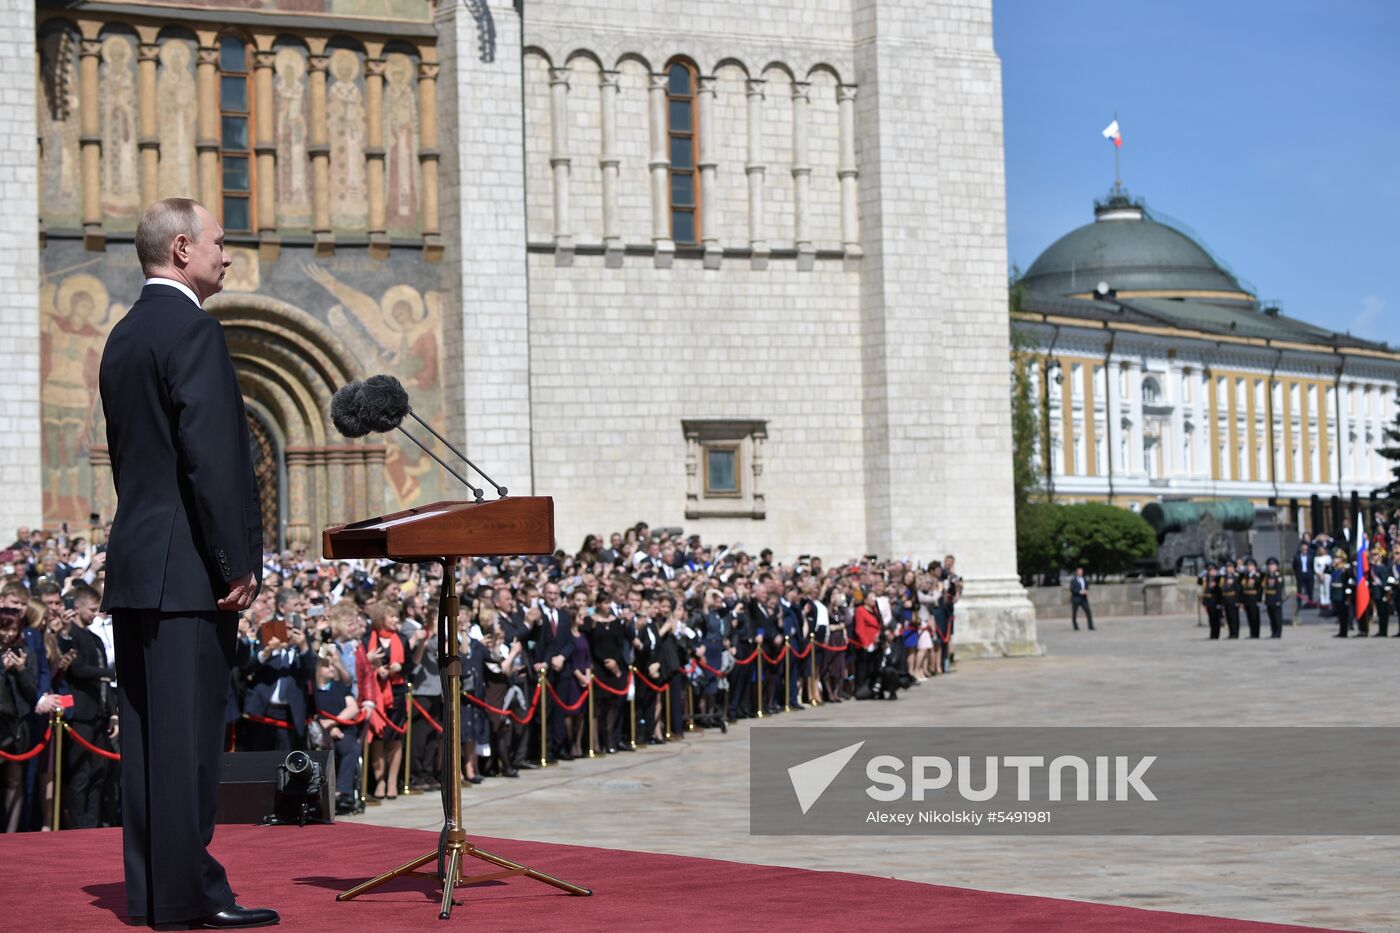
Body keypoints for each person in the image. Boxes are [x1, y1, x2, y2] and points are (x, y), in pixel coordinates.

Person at [98, 199, 277, 929]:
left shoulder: (123, 335)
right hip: (189, 573)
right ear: (181, 249)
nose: (226, 255)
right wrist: (236, 560)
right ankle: (189, 895)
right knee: (192, 744)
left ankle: (153, 891)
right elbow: (211, 460)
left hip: (140, 564)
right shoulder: (193, 330)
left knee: (148, 744)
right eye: (218, 242)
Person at [1240, 558, 1262, 639]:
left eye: (1251, 566)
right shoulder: (1245, 575)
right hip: (1247, 598)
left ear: (1255, 566)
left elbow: (1260, 588)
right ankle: (1252, 633)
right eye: (1248, 566)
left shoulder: (1257, 575)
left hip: (1254, 598)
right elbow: (1242, 587)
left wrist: (1259, 599)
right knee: (1249, 616)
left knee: (1254, 616)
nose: (1249, 567)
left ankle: (1256, 633)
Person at [1262, 557, 1284, 639]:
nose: (1271, 567)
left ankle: (1278, 632)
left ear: (1276, 567)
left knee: (1277, 617)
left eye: (1273, 565)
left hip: (1275, 599)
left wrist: (1278, 600)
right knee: (1271, 617)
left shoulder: (1278, 576)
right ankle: (1273, 632)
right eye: (1270, 565)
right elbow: (1264, 587)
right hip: (1269, 599)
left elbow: (1279, 589)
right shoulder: (1267, 576)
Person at [1219, 563, 1241, 639]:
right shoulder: (1224, 577)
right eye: (1228, 567)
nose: (1229, 569)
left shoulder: (1237, 577)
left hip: (1233, 599)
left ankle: (1235, 633)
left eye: (1231, 567)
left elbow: (1238, 590)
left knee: (1234, 617)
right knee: (1228, 617)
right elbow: (1221, 588)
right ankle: (1231, 633)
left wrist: (1237, 601)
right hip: (1226, 599)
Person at [1069, 566, 1094, 631]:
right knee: (1074, 613)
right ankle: (1075, 626)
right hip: (1076, 599)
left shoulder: (1084, 580)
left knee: (1088, 612)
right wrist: (1080, 592)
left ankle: (1090, 626)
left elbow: (1087, 587)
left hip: (1083, 599)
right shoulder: (1073, 581)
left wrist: (1086, 591)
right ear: (1077, 573)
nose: (1081, 573)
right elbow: (1072, 589)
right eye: (1079, 572)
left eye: (1081, 572)